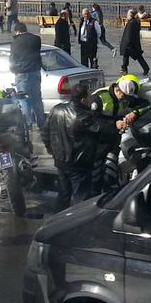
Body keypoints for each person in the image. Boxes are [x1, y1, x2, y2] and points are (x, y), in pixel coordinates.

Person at [43, 84, 118, 212]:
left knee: (63, 194)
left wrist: (51, 149)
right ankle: (78, 227)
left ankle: (56, 222)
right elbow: (102, 129)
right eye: (89, 96)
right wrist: (117, 125)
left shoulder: (57, 110)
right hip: (78, 164)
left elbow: (45, 132)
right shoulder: (83, 116)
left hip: (61, 161)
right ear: (83, 99)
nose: (91, 99)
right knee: (81, 199)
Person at [9, 21, 45, 130]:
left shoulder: (15, 42)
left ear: (17, 31)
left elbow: (12, 59)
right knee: (37, 98)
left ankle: (28, 124)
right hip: (35, 72)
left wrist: (13, 69)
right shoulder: (36, 39)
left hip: (22, 73)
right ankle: (41, 122)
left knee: (23, 99)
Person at [119, 9, 149, 76]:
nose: (126, 15)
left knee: (136, 56)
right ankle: (124, 69)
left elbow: (129, 35)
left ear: (131, 15)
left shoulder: (131, 23)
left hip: (130, 44)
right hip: (133, 43)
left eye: (128, 14)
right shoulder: (134, 22)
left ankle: (146, 68)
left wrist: (127, 43)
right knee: (127, 56)